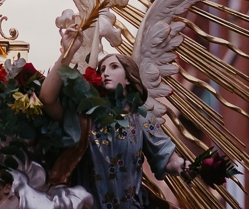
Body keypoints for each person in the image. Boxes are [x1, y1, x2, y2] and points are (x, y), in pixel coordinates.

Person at [39, 29, 186, 209]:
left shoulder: (141, 118)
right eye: (102, 69)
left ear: (128, 79)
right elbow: (47, 98)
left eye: (114, 67)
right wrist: (68, 51)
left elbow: (167, 156)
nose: (105, 73)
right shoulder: (86, 116)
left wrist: (184, 166)